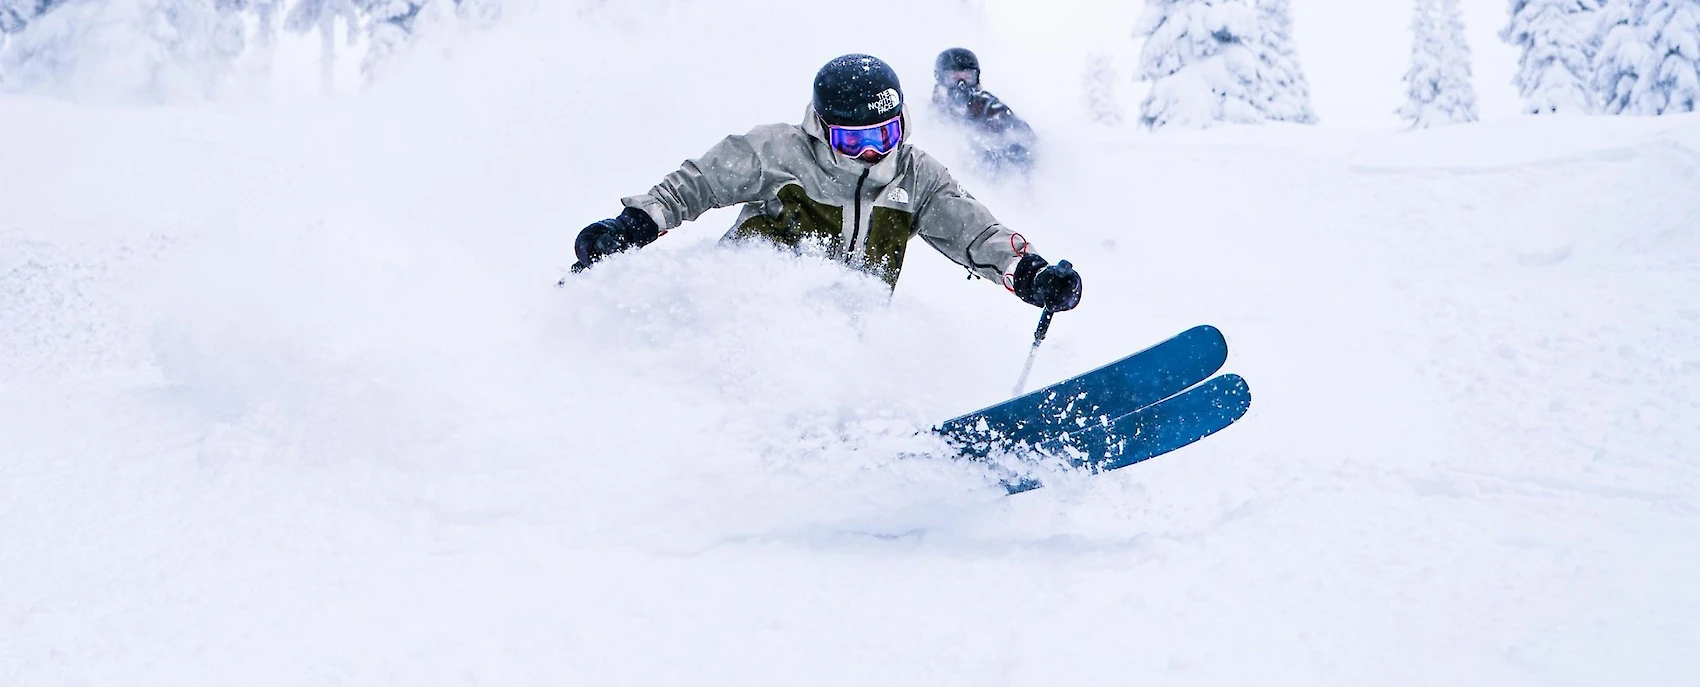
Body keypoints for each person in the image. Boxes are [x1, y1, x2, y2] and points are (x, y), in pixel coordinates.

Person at [571, 54, 1080, 313]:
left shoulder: (915, 174)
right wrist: (633, 224)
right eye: (855, 140)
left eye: (887, 133)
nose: (873, 152)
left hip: (844, 336)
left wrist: (1029, 272)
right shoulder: (779, 151)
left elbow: (974, 232)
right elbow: (696, 184)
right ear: (823, 128)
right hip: (746, 309)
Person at [931, 47, 1037, 174]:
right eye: (954, 78)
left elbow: (1027, 140)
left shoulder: (990, 108)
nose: (961, 85)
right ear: (940, 79)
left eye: (968, 78)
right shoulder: (934, 113)